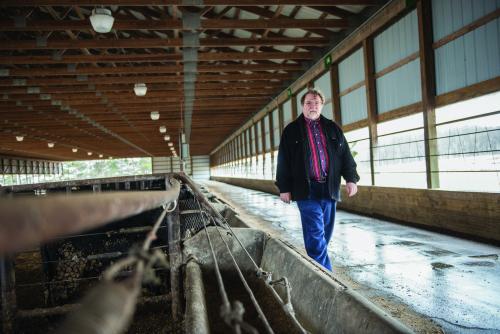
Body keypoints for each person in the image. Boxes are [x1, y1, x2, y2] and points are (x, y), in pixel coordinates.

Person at [275, 89, 359, 271]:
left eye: (316, 103)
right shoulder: (291, 131)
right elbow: (283, 161)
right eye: (308, 103)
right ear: (302, 106)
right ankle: (326, 277)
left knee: (324, 235)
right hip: (306, 190)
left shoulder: (333, 128)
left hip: (329, 189)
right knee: (315, 233)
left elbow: (345, 156)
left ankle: (316, 266)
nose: (312, 106)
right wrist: (284, 187)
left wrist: (351, 179)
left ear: (322, 105)